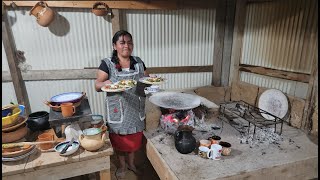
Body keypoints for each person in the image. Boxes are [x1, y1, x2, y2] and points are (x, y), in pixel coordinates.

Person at [95, 30, 149, 177]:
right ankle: (122, 166)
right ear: (115, 45)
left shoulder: (138, 62)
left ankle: (131, 164)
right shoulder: (107, 64)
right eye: (122, 42)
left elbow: (145, 80)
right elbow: (97, 86)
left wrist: (150, 81)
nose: (127, 45)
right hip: (117, 109)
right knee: (119, 141)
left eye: (129, 42)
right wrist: (104, 82)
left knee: (133, 141)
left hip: (135, 108)